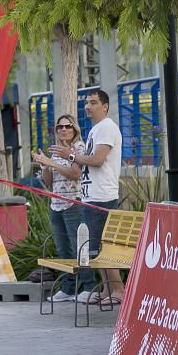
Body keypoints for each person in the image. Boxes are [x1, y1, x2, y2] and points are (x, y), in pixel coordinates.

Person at [51, 88, 124, 305]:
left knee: (103, 248)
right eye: (86, 103)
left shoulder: (107, 127)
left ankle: (118, 290)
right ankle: (106, 290)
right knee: (95, 249)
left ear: (105, 106)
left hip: (102, 197)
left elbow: (98, 159)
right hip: (90, 197)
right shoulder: (95, 130)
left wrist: (71, 155)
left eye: (93, 102)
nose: (88, 107)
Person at [33, 115, 92, 303]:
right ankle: (68, 288)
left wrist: (52, 163)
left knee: (78, 248)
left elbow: (75, 174)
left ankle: (89, 286)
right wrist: (44, 165)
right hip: (56, 204)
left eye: (68, 126)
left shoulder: (78, 147)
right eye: (60, 127)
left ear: (74, 129)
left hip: (73, 203)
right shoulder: (56, 150)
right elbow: (50, 182)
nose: (63, 129)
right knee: (62, 249)